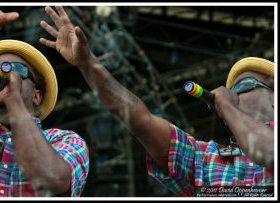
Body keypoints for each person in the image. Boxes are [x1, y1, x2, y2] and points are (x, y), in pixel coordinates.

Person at [39, 6, 274, 196]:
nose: (233, 93)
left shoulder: (234, 112)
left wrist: (227, 106)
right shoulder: (206, 161)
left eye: (245, 86)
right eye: (231, 90)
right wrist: (87, 64)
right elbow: (140, 119)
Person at [0, 6, 89, 197]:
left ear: (36, 96)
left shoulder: (65, 140)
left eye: (16, 70)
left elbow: (54, 180)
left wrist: (14, 102)